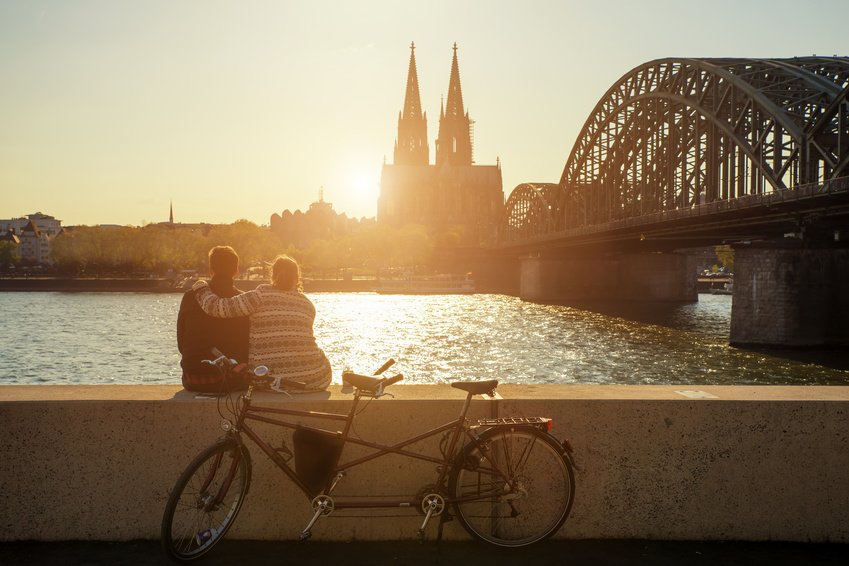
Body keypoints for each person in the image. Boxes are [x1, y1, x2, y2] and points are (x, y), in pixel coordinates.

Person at [192, 255, 332, 392]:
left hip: (267, 379)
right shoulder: (307, 304)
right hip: (313, 378)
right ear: (297, 278)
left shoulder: (259, 296)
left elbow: (216, 308)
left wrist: (200, 287)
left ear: (272, 276)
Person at [177, 246, 250, 393]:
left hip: (192, 379)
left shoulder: (190, 297)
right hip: (232, 379)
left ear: (211, 270)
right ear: (236, 272)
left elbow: (181, 343)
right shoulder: (242, 301)